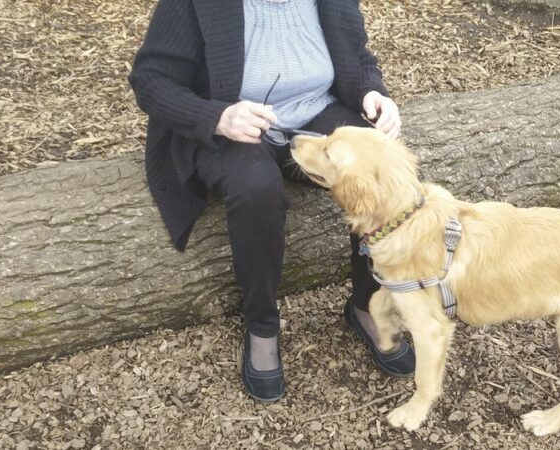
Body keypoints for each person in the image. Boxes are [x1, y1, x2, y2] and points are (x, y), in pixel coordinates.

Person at [128, 0, 415, 402]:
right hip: (233, 125)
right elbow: (151, 78)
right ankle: (262, 324)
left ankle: (367, 303)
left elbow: (357, 57)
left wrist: (373, 92)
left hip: (315, 111)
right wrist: (215, 116)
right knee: (256, 187)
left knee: (378, 172)